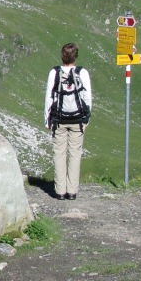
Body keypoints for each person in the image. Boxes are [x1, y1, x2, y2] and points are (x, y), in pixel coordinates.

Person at [44, 43, 92, 200]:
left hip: (59, 119)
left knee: (59, 153)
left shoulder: (54, 72)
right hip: (78, 119)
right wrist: (87, 117)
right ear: (76, 56)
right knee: (75, 153)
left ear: (62, 56)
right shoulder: (82, 72)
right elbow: (87, 96)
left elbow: (49, 97)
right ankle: (72, 191)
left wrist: (47, 119)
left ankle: (60, 191)